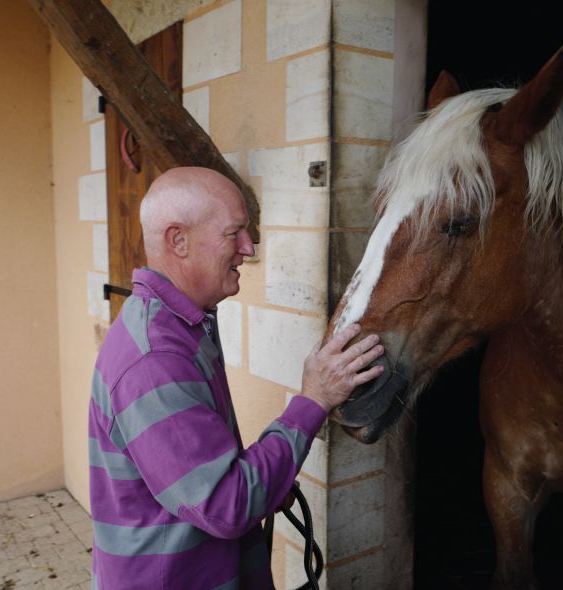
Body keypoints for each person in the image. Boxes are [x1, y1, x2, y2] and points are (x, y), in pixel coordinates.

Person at [88, 167, 384, 589]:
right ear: (178, 240)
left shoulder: (184, 325)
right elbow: (226, 505)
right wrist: (315, 399)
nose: (249, 247)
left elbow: (203, 471)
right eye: (235, 232)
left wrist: (270, 479)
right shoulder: (155, 359)